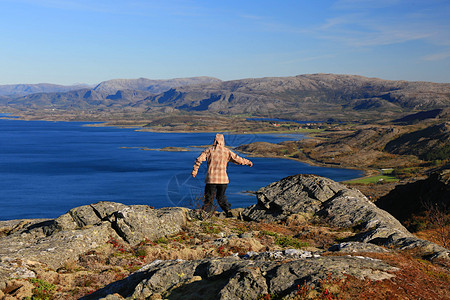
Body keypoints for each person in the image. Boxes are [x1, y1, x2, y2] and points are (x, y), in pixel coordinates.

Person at [192, 133, 253, 216]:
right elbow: (237, 159)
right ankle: (228, 211)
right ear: (223, 141)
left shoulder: (209, 150)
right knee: (221, 197)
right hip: (223, 180)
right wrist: (247, 162)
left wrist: (195, 171)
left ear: (215, 141)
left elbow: (199, 160)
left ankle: (205, 215)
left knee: (209, 198)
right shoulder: (227, 151)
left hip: (211, 180)